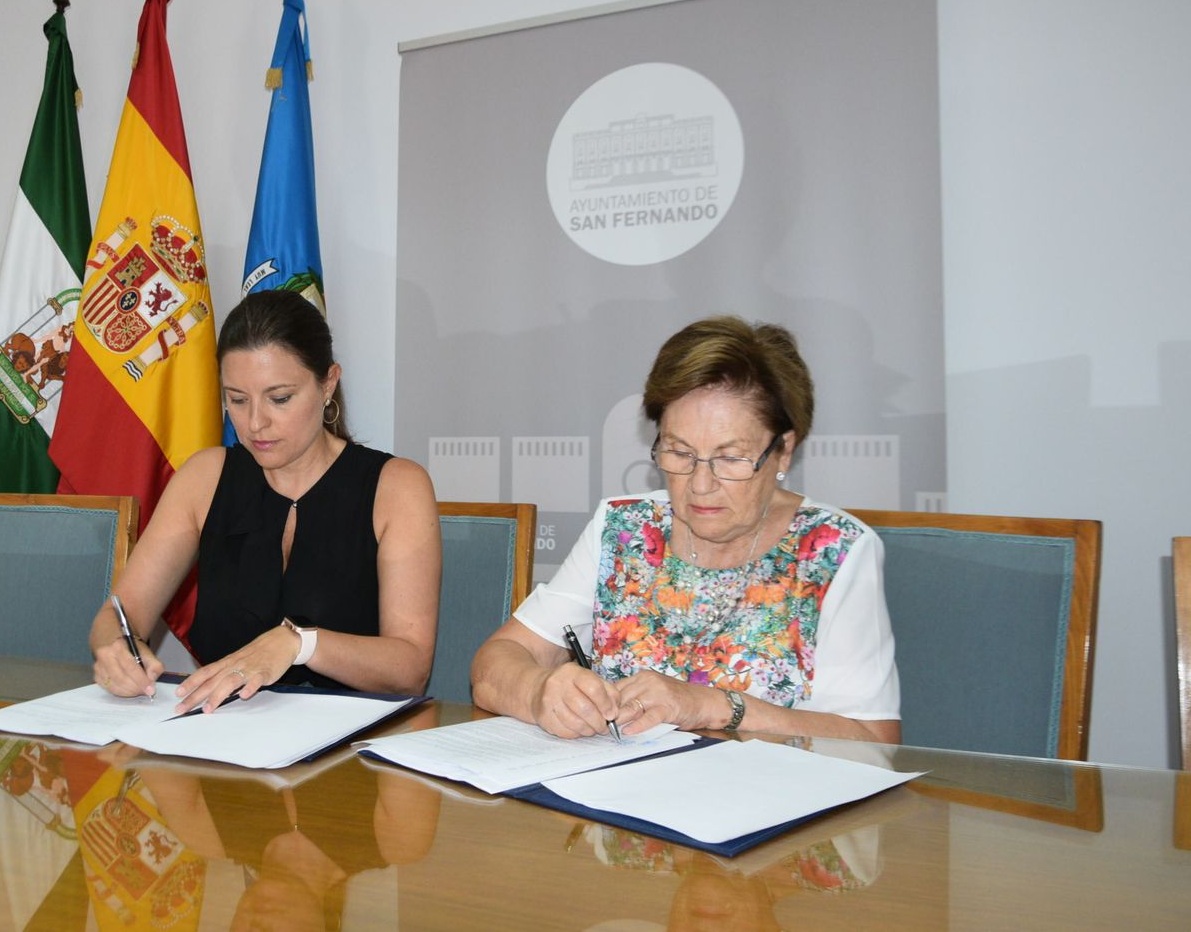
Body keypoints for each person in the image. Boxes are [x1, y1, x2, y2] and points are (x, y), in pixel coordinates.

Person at [471, 315, 900, 744]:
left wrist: (715, 706)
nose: (700, 484)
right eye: (679, 453)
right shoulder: (627, 530)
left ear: (784, 449)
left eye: (730, 458)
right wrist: (539, 691)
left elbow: (875, 741)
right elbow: (494, 667)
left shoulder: (832, 549)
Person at [90, 289, 441, 714]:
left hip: (351, 739)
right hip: (223, 733)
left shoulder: (396, 486)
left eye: (279, 398)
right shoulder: (204, 478)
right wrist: (116, 650)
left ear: (328, 383)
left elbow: (410, 668)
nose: (255, 422)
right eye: (237, 400)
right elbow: (119, 616)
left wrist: (300, 644)